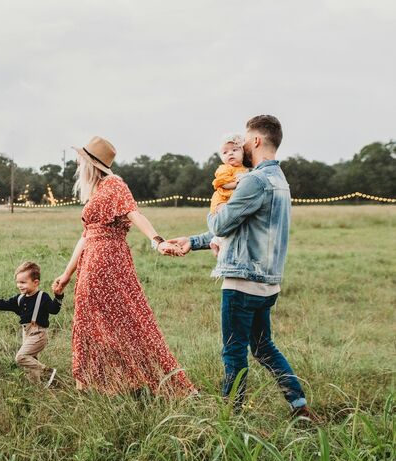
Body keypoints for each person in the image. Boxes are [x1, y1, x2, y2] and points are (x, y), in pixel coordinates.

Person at [167, 115, 317, 420]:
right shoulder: (280, 181)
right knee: (263, 348)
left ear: (257, 141)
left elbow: (222, 222)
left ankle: (230, 419)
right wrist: (193, 242)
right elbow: (241, 229)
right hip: (268, 283)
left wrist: (216, 206)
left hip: (242, 282)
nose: (243, 146)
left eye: (246, 140)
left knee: (234, 352)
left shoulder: (254, 180)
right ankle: (299, 407)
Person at [52, 136, 197, 396]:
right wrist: (66, 274)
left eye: (81, 160)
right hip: (92, 261)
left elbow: (134, 213)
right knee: (90, 321)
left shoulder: (113, 184)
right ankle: (97, 383)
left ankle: (129, 380)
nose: (77, 165)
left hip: (107, 260)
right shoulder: (96, 191)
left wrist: (157, 241)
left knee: (124, 320)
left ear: (91, 164)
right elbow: (85, 237)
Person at [0, 261, 62, 387]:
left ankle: (47, 372)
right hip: (26, 333)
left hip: (39, 334)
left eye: (23, 282)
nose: (19, 285)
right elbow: (4, 304)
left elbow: (54, 310)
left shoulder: (42, 297)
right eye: (18, 282)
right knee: (31, 362)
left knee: (21, 357)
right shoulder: (20, 299)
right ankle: (36, 387)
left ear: (36, 282)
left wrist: (58, 296)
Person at [209, 134, 248, 257]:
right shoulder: (224, 168)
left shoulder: (245, 169)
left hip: (232, 200)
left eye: (234, 150)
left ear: (243, 153)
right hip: (222, 199)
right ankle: (218, 242)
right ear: (221, 157)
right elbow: (223, 183)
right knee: (225, 218)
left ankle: (216, 241)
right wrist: (238, 183)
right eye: (225, 152)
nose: (230, 154)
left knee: (234, 223)